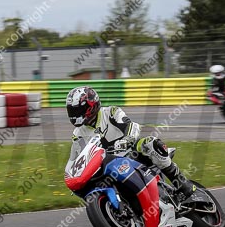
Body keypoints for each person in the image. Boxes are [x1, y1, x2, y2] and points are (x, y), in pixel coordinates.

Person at [65, 86, 196, 202]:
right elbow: (76, 159)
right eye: (72, 111)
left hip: (129, 153)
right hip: (107, 167)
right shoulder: (78, 134)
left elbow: (131, 126)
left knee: (149, 143)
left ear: (90, 106)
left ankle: (181, 183)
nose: (74, 115)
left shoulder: (110, 112)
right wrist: (72, 177)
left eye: (77, 111)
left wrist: (127, 140)